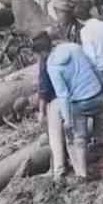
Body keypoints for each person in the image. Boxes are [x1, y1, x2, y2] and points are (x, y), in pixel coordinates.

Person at [46, 40, 103, 179]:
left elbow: (62, 94)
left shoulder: (52, 65)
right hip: (96, 94)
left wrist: (67, 119)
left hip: (78, 103)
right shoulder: (74, 48)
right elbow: (93, 66)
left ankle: (82, 174)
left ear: (42, 52)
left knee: (79, 139)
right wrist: (102, 84)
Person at [32, 33, 68, 179]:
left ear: (40, 52)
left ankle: (58, 170)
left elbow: (44, 88)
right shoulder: (60, 52)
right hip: (71, 96)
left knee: (55, 137)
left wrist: (41, 111)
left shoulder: (45, 62)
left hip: (55, 100)